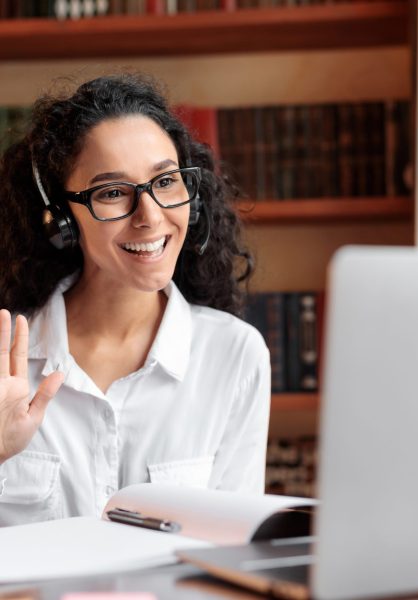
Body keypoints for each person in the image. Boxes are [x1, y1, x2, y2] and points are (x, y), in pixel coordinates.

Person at [0, 73, 271, 526]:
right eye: (111, 192)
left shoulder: (234, 355)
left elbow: (235, 555)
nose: (150, 216)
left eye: (165, 182)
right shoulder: (5, 356)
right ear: (62, 219)